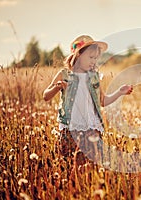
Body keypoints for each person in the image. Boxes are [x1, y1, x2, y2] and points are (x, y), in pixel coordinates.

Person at [43, 35, 133, 166]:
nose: (94, 61)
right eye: (91, 57)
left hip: (92, 127)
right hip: (70, 127)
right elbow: (46, 96)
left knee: (92, 165)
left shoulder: (94, 77)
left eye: (96, 58)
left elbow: (102, 101)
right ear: (78, 55)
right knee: (69, 163)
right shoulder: (64, 74)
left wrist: (119, 92)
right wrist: (57, 88)